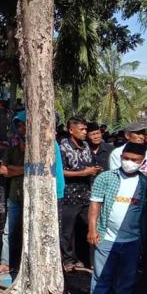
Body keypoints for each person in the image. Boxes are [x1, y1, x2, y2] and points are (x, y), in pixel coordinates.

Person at [84, 143, 147, 294]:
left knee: (126, 282)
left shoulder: (145, 184)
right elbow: (95, 205)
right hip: (105, 238)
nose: (129, 162)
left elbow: (146, 213)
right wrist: (92, 229)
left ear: (142, 162)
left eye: (134, 160)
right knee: (101, 279)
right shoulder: (105, 178)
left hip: (132, 241)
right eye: (125, 158)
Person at [59, 117, 100, 272]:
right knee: (67, 231)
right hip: (69, 195)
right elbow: (61, 172)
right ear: (71, 130)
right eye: (82, 129)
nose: (85, 132)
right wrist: (84, 173)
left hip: (87, 194)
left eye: (85, 129)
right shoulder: (63, 147)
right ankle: (68, 260)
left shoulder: (86, 146)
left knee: (89, 227)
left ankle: (85, 259)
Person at [0, 111, 26, 276]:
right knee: (9, 230)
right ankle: (5, 262)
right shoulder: (11, 151)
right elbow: (3, 170)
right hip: (14, 196)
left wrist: (14, 170)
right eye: (19, 126)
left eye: (24, 125)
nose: (22, 129)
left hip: (31, 198)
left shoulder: (39, 150)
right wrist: (25, 169)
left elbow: (37, 169)